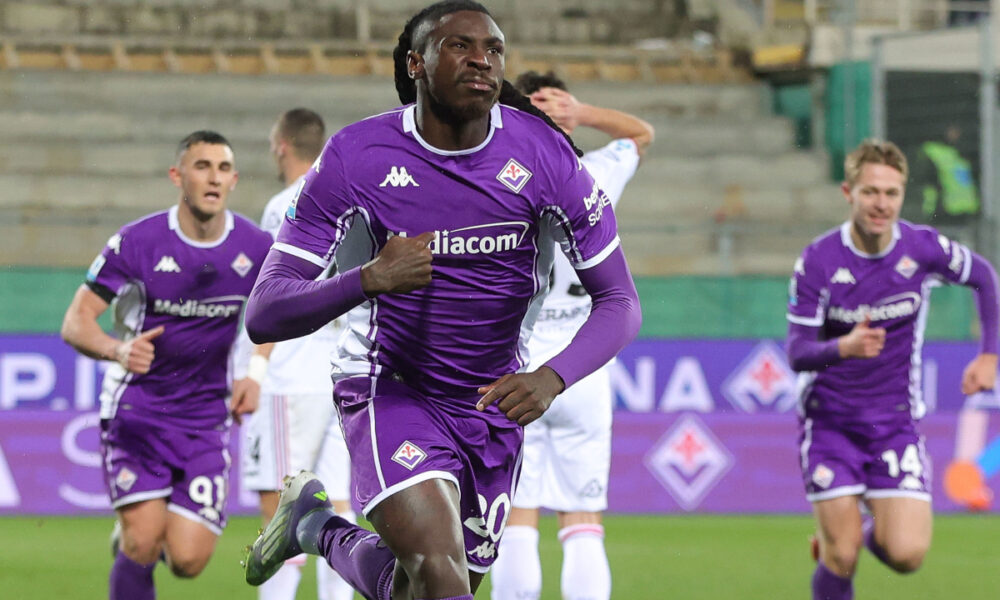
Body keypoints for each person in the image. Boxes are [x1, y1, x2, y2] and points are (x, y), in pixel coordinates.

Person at [239, 2, 642, 600]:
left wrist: (552, 378)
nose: (482, 59)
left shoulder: (546, 156)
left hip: (492, 402)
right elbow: (265, 310)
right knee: (440, 574)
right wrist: (367, 280)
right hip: (390, 387)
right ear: (416, 63)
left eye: (494, 49)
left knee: (419, 585)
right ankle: (319, 525)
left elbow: (620, 303)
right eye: (459, 45)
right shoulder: (356, 157)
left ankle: (316, 526)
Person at [60, 130, 273, 599]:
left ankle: (139, 539)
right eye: (202, 167)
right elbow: (76, 322)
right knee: (142, 540)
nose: (213, 178)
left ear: (234, 180)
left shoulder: (257, 247)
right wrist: (117, 350)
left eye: (222, 169)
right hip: (138, 410)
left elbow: (275, 313)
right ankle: (134, 539)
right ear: (178, 176)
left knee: (188, 560)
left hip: (205, 418)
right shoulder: (137, 243)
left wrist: (254, 374)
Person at [784, 139, 999, 600]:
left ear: (902, 194)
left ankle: (845, 537)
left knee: (907, 554)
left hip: (894, 424)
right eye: (870, 192)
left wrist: (989, 355)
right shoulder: (818, 261)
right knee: (841, 561)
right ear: (849, 192)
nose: (881, 204)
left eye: (891, 193)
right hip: (830, 424)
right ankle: (837, 548)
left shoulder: (921, 249)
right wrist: (844, 346)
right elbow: (798, 352)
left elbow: (984, 275)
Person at [490, 71, 654, 600]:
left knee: (514, 516)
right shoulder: (595, 173)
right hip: (584, 365)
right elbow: (642, 134)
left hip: (517, 366)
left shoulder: (500, 178)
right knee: (583, 521)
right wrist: (583, 113)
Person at [239, 108, 356, 600]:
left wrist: (254, 369)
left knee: (280, 515)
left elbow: (273, 296)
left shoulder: (285, 204)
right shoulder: (354, 201)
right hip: (346, 371)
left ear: (282, 145)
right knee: (340, 512)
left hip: (293, 374)